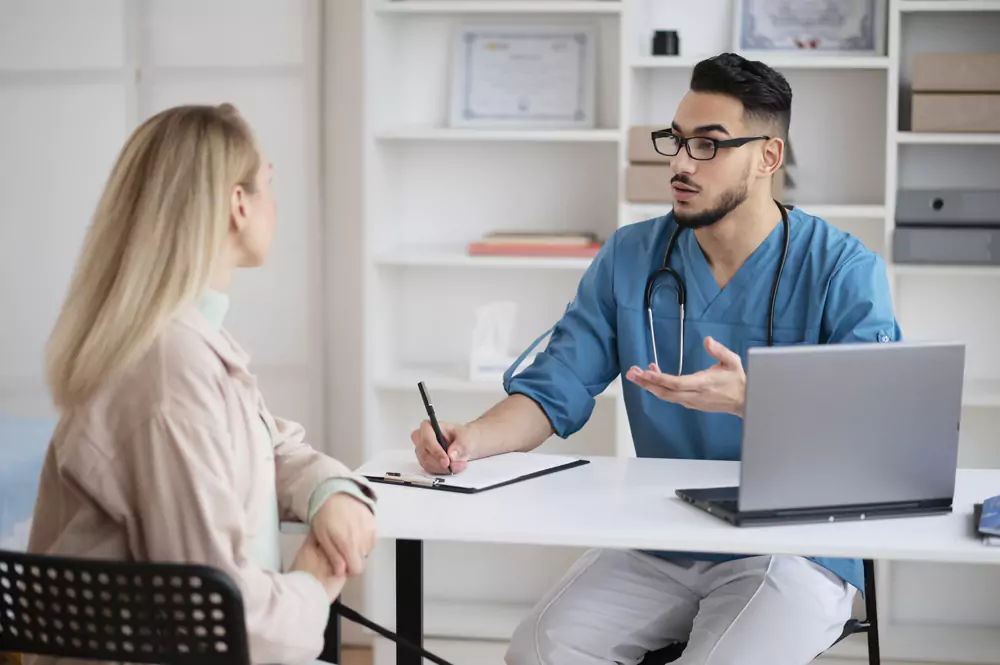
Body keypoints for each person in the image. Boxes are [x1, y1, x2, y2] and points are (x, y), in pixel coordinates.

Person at [411, 53, 901, 665]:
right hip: (666, 534)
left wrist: (758, 401)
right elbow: (553, 387)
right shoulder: (632, 255)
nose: (679, 163)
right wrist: (469, 438)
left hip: (796, 543)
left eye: (708, 145)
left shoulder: (840, 269)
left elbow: (877, 436)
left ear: (768, 157)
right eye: (676, 140)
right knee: (538, 651)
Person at [27, 103, 376, 665]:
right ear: (239, 205)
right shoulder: (167, 370)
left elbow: (269, 443)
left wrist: (329, 490)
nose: (275, 203)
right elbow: (214, 616)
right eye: (269, 183)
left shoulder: (180, 341)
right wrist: (314, 582)